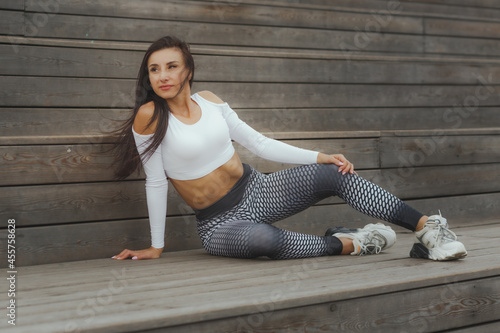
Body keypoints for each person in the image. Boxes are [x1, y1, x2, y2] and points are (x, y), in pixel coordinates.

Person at [111, 36, 467, 262]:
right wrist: (156, 246)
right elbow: (156, 182)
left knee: (333, 172)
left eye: (171, 66)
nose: (162, 76)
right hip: (220, 223)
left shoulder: (211, 102)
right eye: (154, 70)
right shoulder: (149, 117)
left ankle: (428, 229)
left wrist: (320, 156)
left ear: (189, 69)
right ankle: (353, 243)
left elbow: (258, 143)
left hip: (258, 190)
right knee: (265, 241)